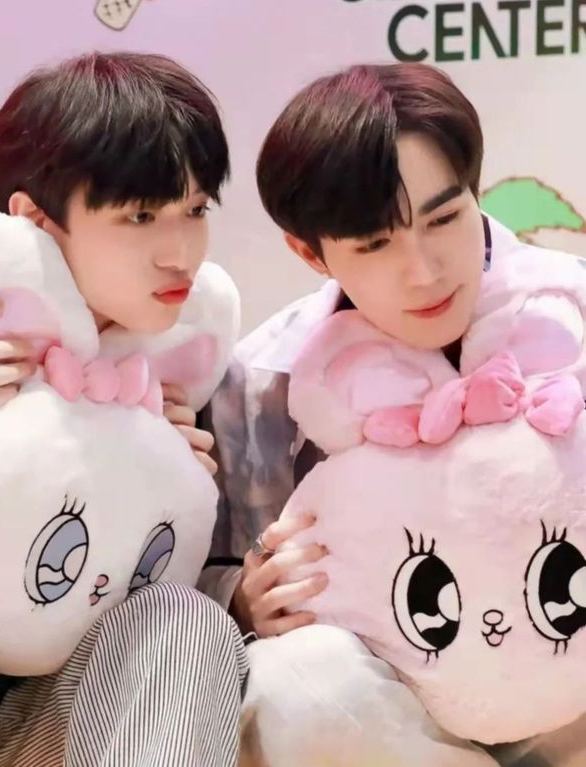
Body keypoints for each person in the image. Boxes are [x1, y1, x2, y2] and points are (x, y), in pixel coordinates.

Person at [203, 63, 586, 767]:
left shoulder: (571, 314)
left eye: (444, 218)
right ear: (309, 251)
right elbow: (209, 569)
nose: (425, 270)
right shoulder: (260, 381)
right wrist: (242, 600)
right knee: (294, 686)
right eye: (375, 243)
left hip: (571, 684)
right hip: (397, 711)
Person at [0, 52, 248, 767]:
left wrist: (230, 578)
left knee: (185, 621)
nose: (181, 254)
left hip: (72, 713)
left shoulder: (185, 375)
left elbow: (203, 575)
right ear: (35, 217)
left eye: (195, 209)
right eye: (140, 215)